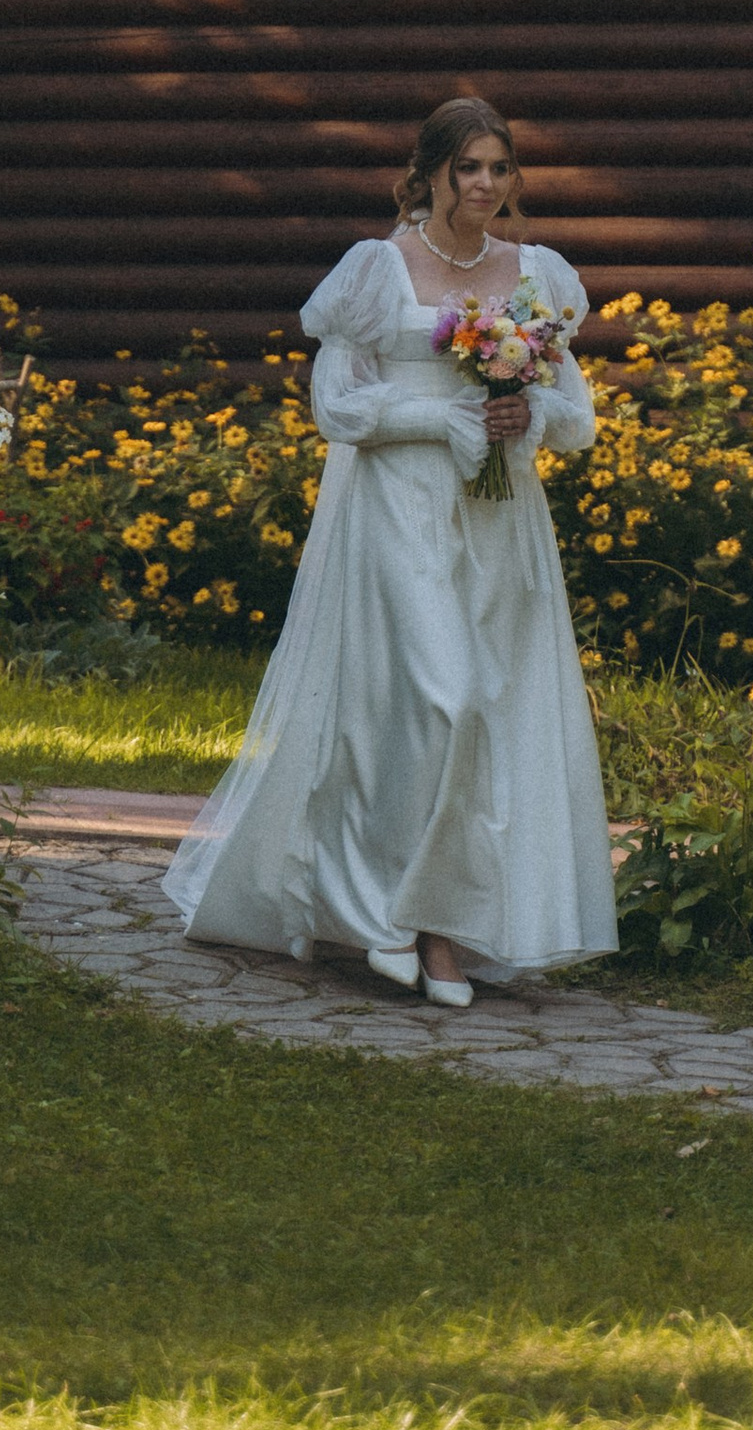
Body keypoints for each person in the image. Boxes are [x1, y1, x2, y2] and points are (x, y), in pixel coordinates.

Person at [164, 96, 617, 1007]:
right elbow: (337, 408)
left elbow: (578, 424)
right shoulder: (379, 269)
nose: (485, 185)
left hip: (497, 525)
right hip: (398, 518)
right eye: (469, 168)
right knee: (436, 704)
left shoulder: (536, 275)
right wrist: (436, 418)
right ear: (433, 173)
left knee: (487, 717)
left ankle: (441, 933)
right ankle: (381, 913)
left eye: (499, 168)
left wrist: (523, 412)